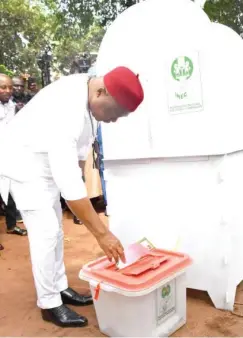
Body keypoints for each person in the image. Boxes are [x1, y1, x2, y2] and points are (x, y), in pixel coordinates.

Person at [0, 66, 144, 327]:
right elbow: (69, 183)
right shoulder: (66, 109)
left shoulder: (88, 93)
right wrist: (103, 233)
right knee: (45, 233)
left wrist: (76, 191)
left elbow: (77, 158)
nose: (115, 120)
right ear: (102, 92)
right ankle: (49, 302)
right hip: (24, 166)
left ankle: (60, 286)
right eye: (115, 112)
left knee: (55, 231)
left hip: (47, 166)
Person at [0, 74, 27, 245]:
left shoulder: (13, 106)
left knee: (9, 192)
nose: (8, 91)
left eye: (10, 87)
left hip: (9, 154)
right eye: (3, 87)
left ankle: (11, 225)